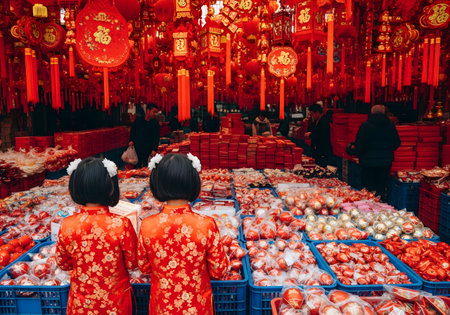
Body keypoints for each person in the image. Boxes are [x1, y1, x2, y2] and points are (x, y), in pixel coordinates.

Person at [138, 153, 229, 314]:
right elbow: (218, 270)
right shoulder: (205, 224)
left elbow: (144, 267)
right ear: (193, 183)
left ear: (157, 183)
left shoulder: (147, 225)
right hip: (197, 305)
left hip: (163, 305)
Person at [55, 157, 138, 315]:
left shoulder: (68, 225)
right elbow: (133, 263)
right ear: (109, 187)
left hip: (82, 303)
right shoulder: (121, 224)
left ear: (75, 186)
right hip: (115, 303)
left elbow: (63, 264)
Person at [346, 105, 401, 200]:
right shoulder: (390, 126)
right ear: (384, 113)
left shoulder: (365, 126)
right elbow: (396, 143)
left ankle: (368, 209)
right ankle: (380, 208)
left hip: (368, 163)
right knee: (381, 189)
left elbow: (360, 145)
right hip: (384, 163)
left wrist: (351, 149)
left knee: (367, 190)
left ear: (371, 113)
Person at [305, 103, 333, 167]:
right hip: (317, 151)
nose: (312, 116)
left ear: (317, 112)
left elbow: (322, 136)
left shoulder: (324, 121)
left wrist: (310, 135)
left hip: (323, 152)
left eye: (312, 114)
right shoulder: (316, 121)